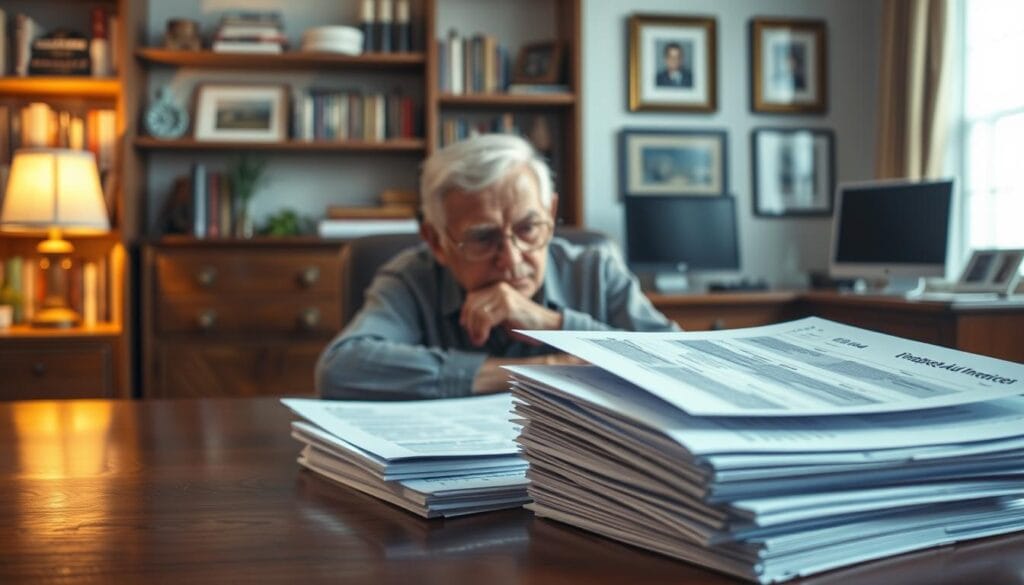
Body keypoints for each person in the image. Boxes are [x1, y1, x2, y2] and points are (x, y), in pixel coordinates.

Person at [316, 134, 679, 400]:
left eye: (528, 228)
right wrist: (537, 373)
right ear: (436, 241)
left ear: (550, 213)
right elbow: (342, 368)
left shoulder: (594, 268)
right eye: (482, 238)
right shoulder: (411, 277)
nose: (512, 258)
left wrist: (554, 324)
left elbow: (683, 366)